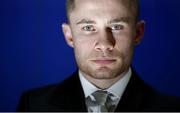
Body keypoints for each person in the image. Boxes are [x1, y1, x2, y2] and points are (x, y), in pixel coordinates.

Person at [16, 0, 180, 112]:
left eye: (116, 26)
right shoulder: (33, 105)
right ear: (69, 35)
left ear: (138, 33)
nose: (104, 44)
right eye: (88, 27)